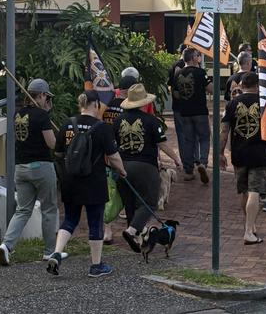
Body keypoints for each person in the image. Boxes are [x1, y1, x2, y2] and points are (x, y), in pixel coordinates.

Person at [47, 90, 127, 278]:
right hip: (94, 182)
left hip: (71, 180)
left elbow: (58, 154)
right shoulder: (102, 128)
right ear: (96, 104)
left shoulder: (67, 124)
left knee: (70, 219)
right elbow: (113, 156)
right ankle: (96, 265)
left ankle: (57, 253)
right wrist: (122, 170)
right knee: (95, 222)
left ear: (81, 104)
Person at [0, 79, 61, 266]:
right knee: (49, 209)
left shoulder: (17, 114)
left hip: (21, 168)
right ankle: (50, 252)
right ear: (40, 95)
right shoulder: (41, 116)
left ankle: (6, 246)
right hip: (41, 167)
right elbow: (51, 144)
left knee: (23, 210)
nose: (47, 100)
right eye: (46, 96)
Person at [114, 84, 182, 253]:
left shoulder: (117, 121)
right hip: (146, 166)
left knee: (129, 203)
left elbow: (112, 145)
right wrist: (176, 159)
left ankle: (135, 238)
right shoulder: (151, 121)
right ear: (144, 103)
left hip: (124, 165)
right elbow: (163, 144)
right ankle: (131, 231)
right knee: (150, 201)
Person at [220, 72, 266, 244]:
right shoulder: (263, 104)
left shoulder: (232, 104)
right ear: (257, 86)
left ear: (242, 85)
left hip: (239, 153)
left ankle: (251, 225)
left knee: (244, 191)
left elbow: (224, 130)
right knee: (255, 192)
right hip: (259, 152)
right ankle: (249, 231)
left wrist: (220, 152)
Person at [102, 75, 137, 244]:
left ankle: (107, 231)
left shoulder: (106, 105)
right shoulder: (128, 108)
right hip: (123, 154)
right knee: (127, 193)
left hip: (104, 154)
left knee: (108, 193)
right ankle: (131, 229)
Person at [174, 47, 213, 183]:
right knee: (204, 137)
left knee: (188, 141)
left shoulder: (178, 74)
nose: (199, 57)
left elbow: (176, 93)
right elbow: (211, 89)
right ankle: (202, 162)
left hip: (184, 112)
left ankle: (188, 171)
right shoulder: (201, 72)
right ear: (192, 58)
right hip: (200, 111)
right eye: (198, 55)